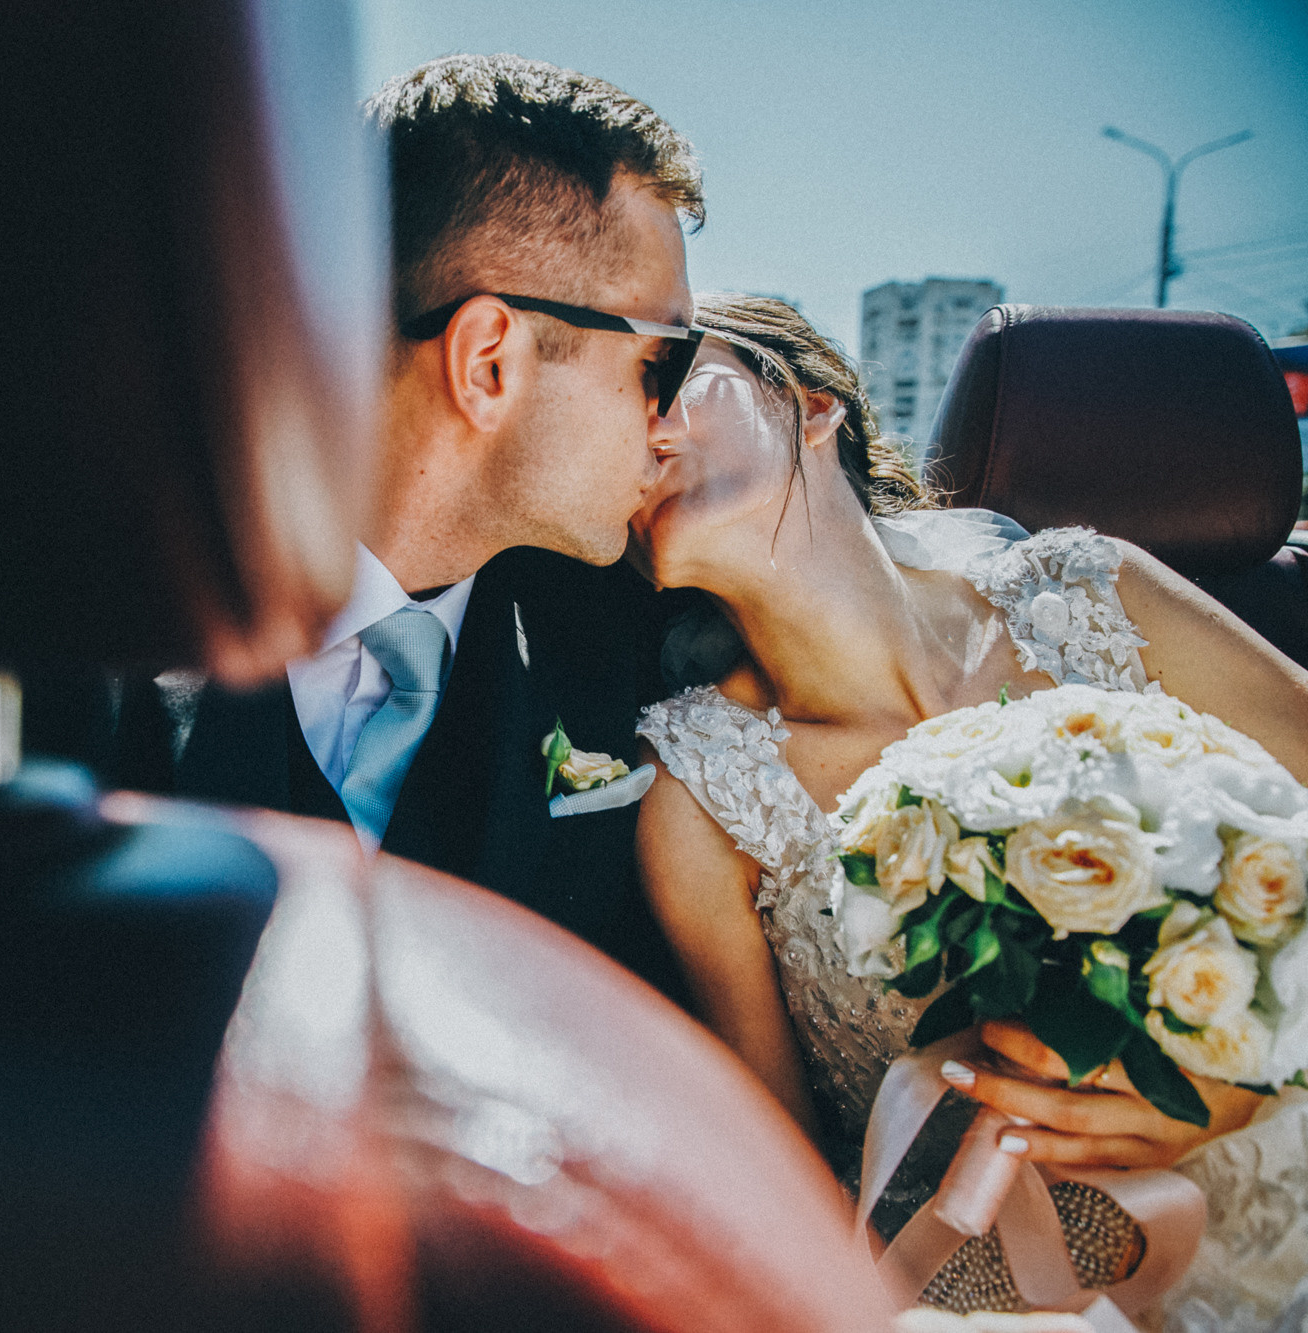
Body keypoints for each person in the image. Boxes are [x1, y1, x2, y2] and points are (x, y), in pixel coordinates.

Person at [628, 293, 1308, 1321]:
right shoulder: (696, 801)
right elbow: (784, 1188)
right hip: (996, 1289)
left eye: (667, 377)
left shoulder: (1095, 597)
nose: (637, 425)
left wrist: (1247, 1070)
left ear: (810, 406)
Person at [114, 54, 704, 999]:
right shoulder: (84, 598)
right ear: (488, 364)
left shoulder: (637, 640)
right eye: (661, 364)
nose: (670, 426)